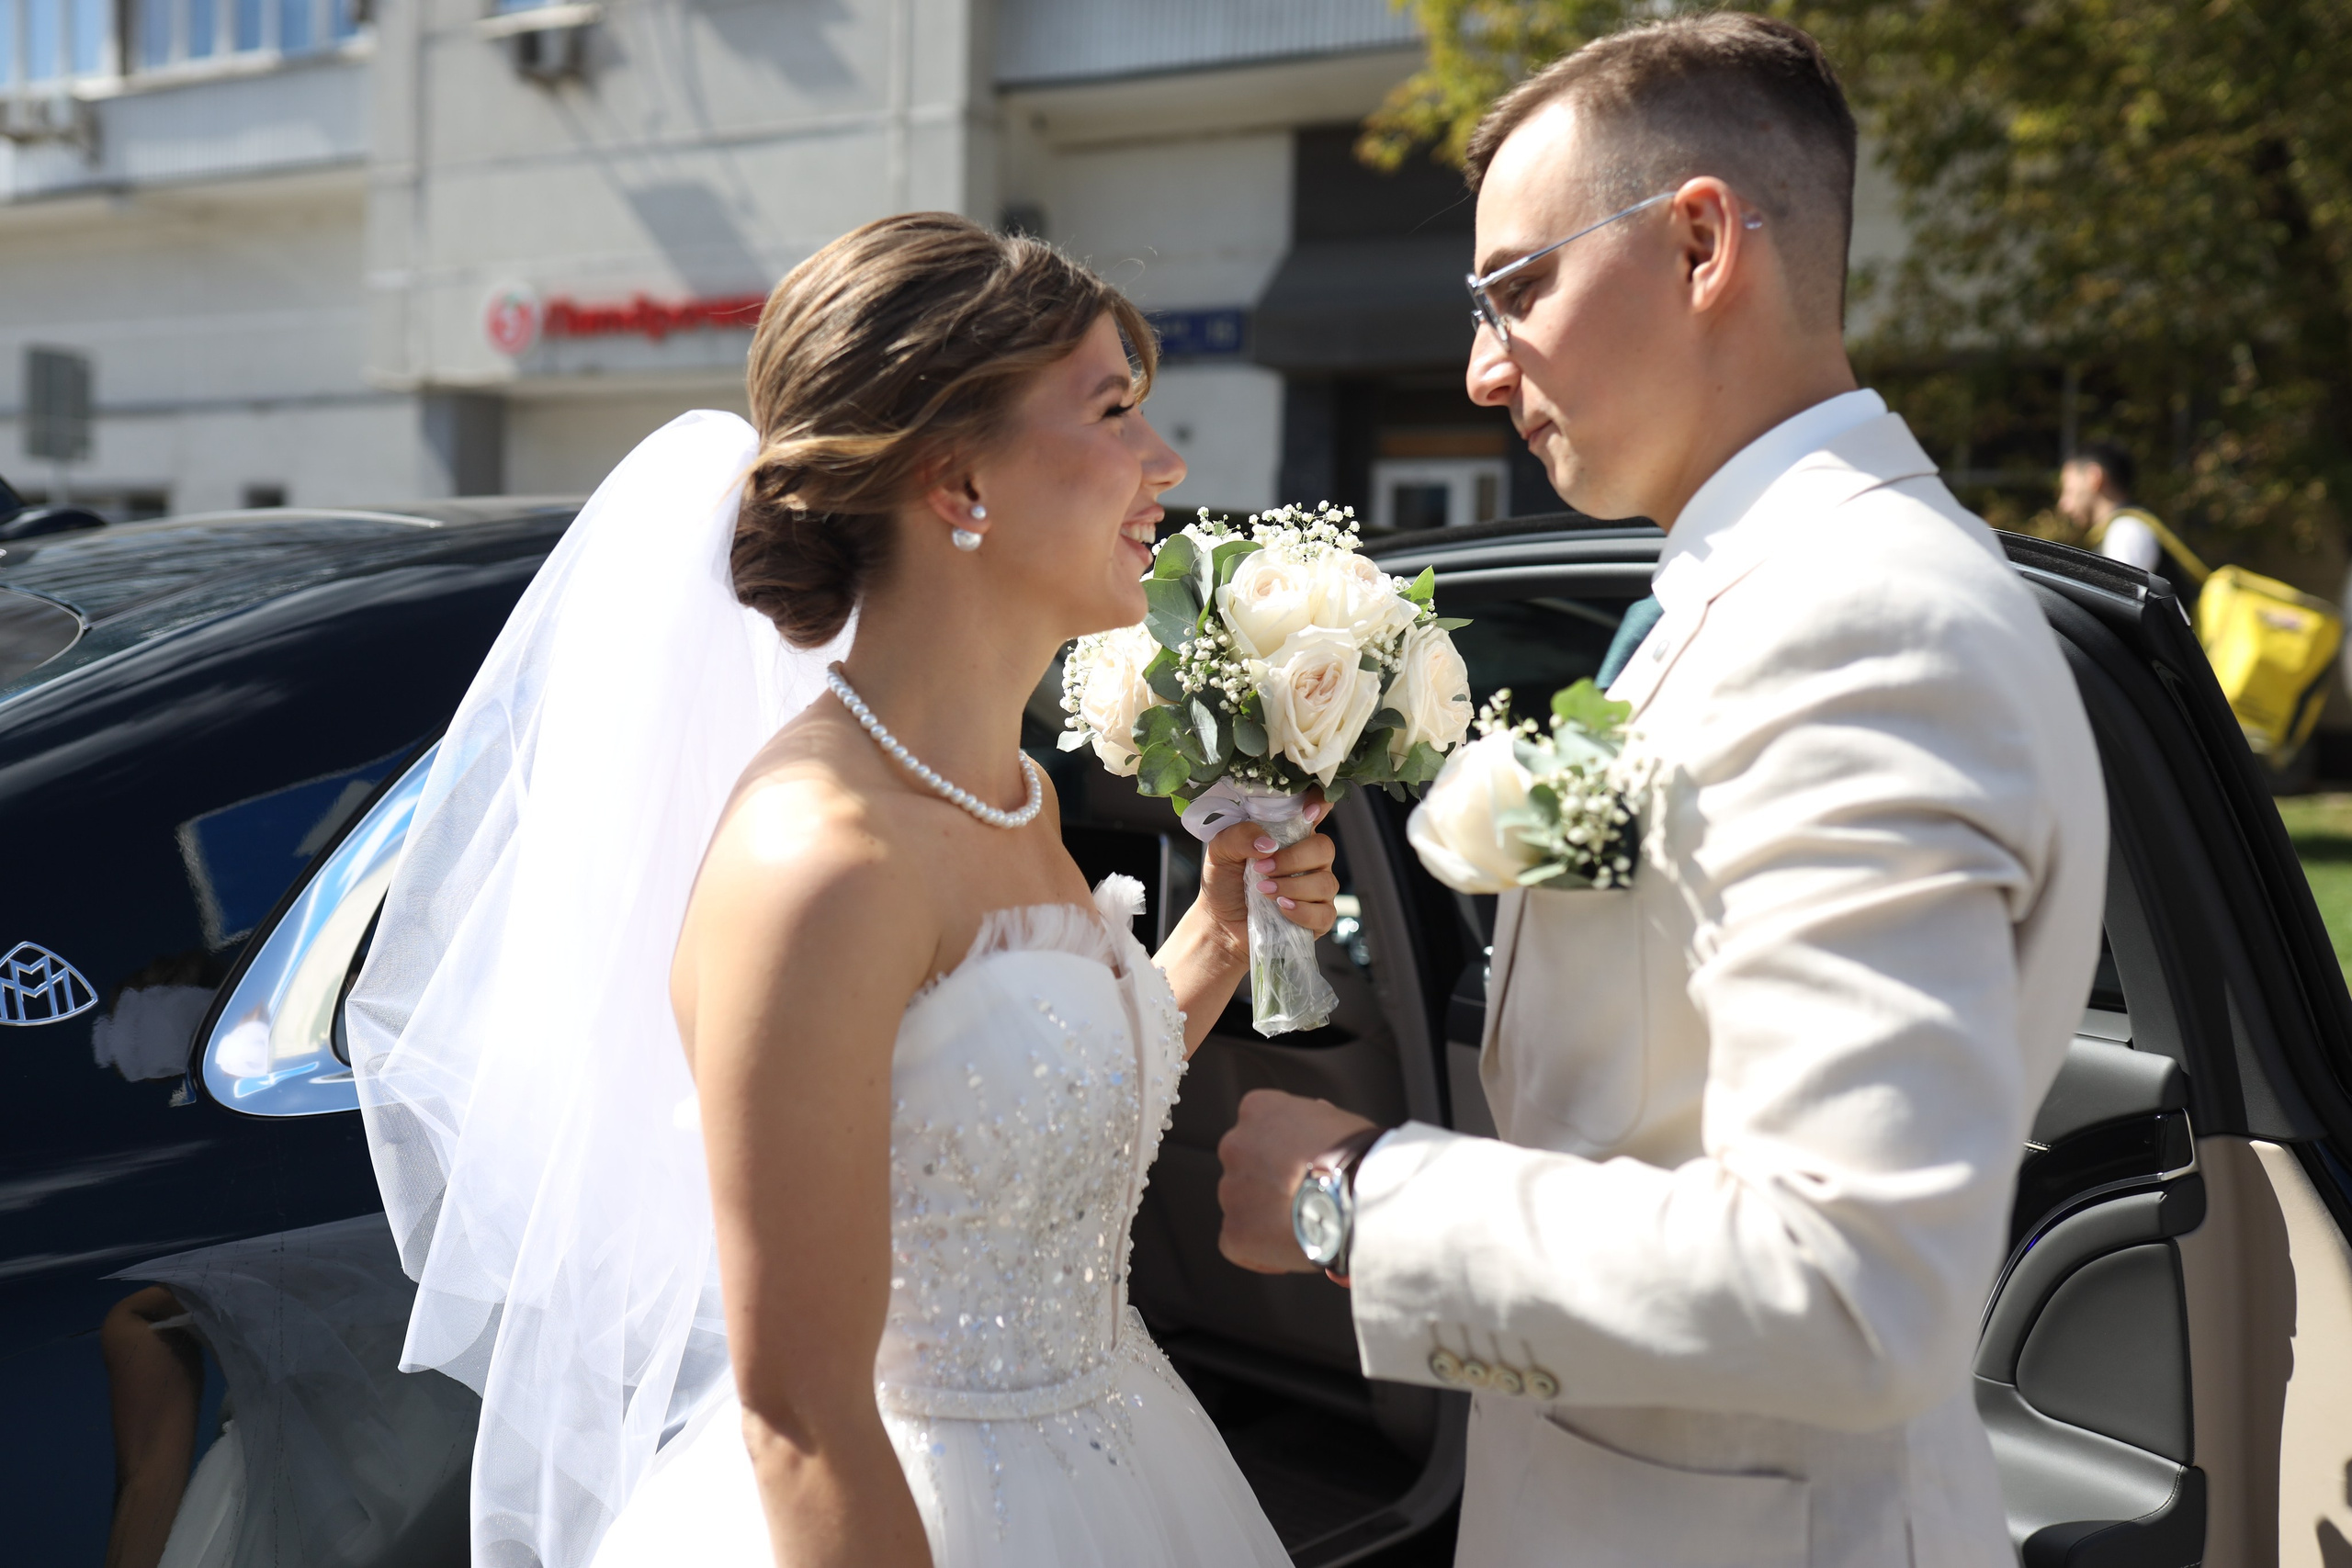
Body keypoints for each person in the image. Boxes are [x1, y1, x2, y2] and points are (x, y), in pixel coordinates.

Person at [1214, 17, 2107, 1568]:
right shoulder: (1749, 590)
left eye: (1516, 291)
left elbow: (1849, 1285)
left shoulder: (1860, 621)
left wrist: (1354, 1199)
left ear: (1701, 244)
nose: (1484, 371)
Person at [349, 214, 1323, 1568]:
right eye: (1114, 412)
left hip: (1119, 1449)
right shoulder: (821, 858)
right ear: (953, 480)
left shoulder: (1009, 789)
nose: (1165, 464)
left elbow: (1017, 1103)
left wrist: (1219, 928)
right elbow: (800, 1412)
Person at [2058, 439, 2206, 597]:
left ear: (2094, 477)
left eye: (2069, 490)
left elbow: (2116, 603)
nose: (2063, 504)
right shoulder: (2128, 526)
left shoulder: (2126, 530)